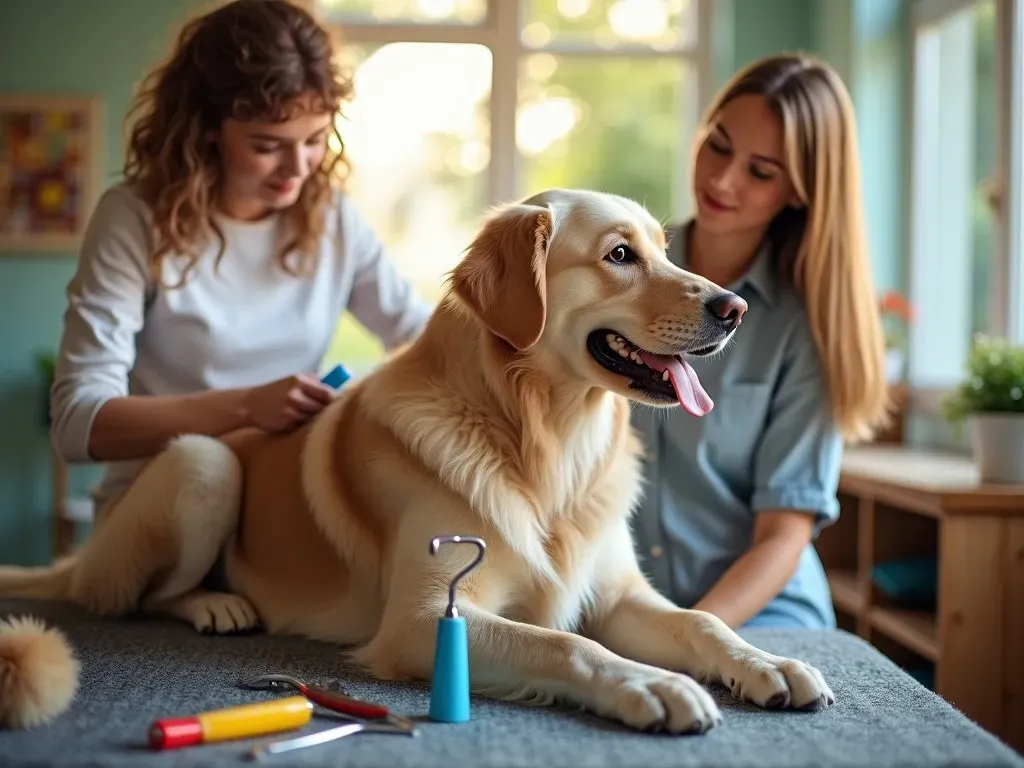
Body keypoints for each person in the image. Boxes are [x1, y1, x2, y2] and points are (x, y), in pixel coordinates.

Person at [49, 0, 432, 513]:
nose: (298, 168)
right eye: (267, 145)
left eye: (315, 140)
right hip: (162, 507)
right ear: (207, 128)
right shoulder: (133, 218)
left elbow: (423, 337)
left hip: (280, 508)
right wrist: (248, 406)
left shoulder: (332, 217)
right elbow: (78, 423)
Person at [630, 54, 890, 630]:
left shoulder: (805, 328)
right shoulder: (621, 273)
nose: (723, 180)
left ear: (798, 190)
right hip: (616, 611)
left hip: (762, 616)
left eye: (761, 171)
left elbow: (783, 534)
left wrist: (688, 640)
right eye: (718, 146)